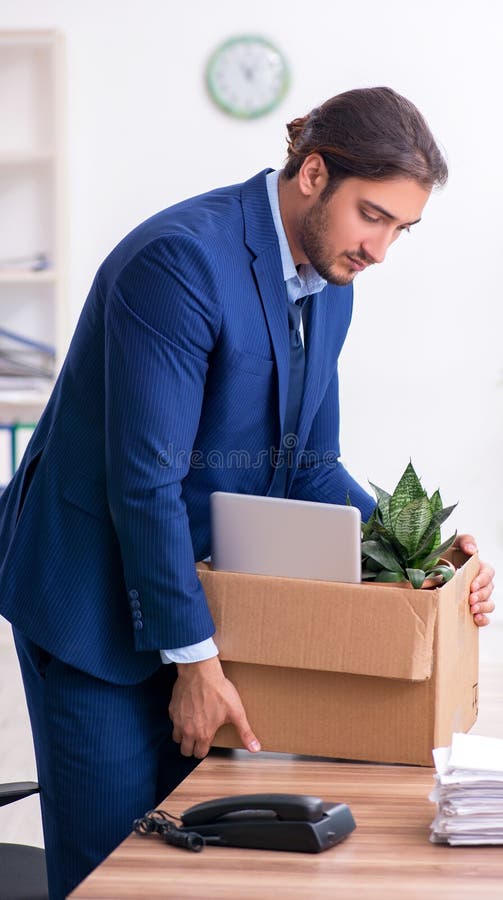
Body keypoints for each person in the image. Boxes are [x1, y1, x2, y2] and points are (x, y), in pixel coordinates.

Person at [0, 86, 495, 898]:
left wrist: (423, 559)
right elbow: (146, 480)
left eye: (400, 228)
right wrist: (192, 660)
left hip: (198, 589)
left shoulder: (331, 282)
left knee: (202, 845)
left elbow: (307, 465)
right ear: (311, 173)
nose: (380, 249)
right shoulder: (181, 262)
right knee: (113, 868)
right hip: (88, 592)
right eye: (371, 215)